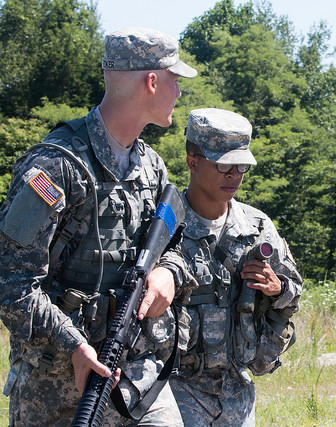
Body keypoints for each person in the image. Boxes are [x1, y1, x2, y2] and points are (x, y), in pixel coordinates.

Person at [0, 27, 197, 426]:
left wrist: (167, 273)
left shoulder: (152, 167)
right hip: (54, 388)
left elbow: (175, 243)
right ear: (152, 81)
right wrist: (73, 344)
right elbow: (11, 282)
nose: (179, 93)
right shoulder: (57, 166)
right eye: (175, 81)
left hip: (134, 377)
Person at [169, 108, 303, 426]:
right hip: (176, 390)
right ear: (193, 162)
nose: (235, 175)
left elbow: (294, 293)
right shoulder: (164, 222)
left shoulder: (257, 225)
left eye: (242, 165)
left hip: (238, 395)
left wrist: (277, 287)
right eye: (224, 164)